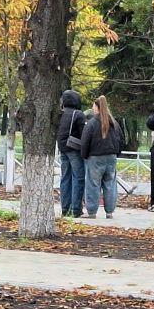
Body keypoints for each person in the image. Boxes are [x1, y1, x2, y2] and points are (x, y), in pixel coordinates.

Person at [81, 94, 124, 218]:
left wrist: (85, 155)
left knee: (93, 185)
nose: (93, 108)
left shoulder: (92, 123)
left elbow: (85, 141)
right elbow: (121, 140)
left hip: (95, 157)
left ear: (97, 107)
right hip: (111, 157)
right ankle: (109, 212)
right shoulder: (114, 123)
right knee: (110, 184)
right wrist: (116, 153)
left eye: (93, 106)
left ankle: (92, 212)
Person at [57, 89, 86, 217]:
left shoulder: (60, 113)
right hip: (74, 149)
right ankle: (76, 209)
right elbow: (83, 134)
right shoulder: (78, 114)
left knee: (65, 178)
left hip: (62, 149)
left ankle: (65, 209)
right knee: (78, 178)